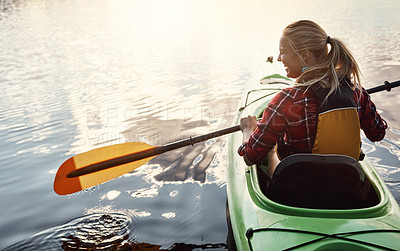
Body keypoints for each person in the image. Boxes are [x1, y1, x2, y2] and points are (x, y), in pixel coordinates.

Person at [238, 20, 387, 178]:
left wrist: (248, 130)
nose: (279, 58)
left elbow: (249, 157)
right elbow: (378, 134)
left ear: (304, 55)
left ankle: (271, 152)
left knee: (270, 149)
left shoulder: (287, 99)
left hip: (295, 192)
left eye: (282, 51)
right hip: (347, 189)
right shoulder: (357, 93)